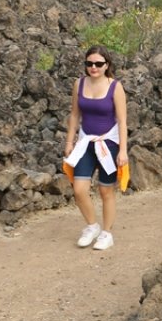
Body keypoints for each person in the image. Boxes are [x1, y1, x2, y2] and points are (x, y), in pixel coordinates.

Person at [64, 46, 129, 250]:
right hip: (85, 143)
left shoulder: (115, 86)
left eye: (99, 64)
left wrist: (123, 150)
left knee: (105, 190)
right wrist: (69, 141)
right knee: (79, 189)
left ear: (106, 65)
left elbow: (122, 120)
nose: (94, 67)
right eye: (89, 63)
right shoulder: (79, 84)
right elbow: (75, 115)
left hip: (108, 144)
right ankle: (92, 226)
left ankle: (107, 233)